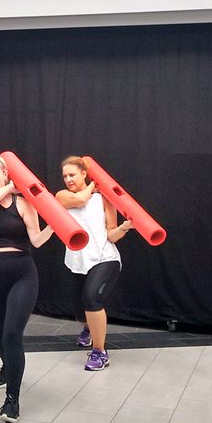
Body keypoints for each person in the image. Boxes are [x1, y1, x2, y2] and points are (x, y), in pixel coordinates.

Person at [0, 154, 54, 423]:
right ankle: (8, 366)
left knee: (11, 335)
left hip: (22, 273)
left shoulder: (23, 204)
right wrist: (14, 186)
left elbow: (37, 241)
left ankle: (12, 401)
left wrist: (55, 224)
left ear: (6, 173)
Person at [55, 156, 133, 371]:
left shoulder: (105, 200)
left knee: (91, 297)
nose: (68, 179)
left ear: (83, 173)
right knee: (79, 310)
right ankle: (88, 329)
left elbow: (112, 235)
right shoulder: (62, 196)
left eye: (73, 174)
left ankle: (100, 352)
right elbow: (80, 200)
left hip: (104, 258)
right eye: (65, 176)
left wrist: (126, 226)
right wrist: (93, 185)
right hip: (76, 261)